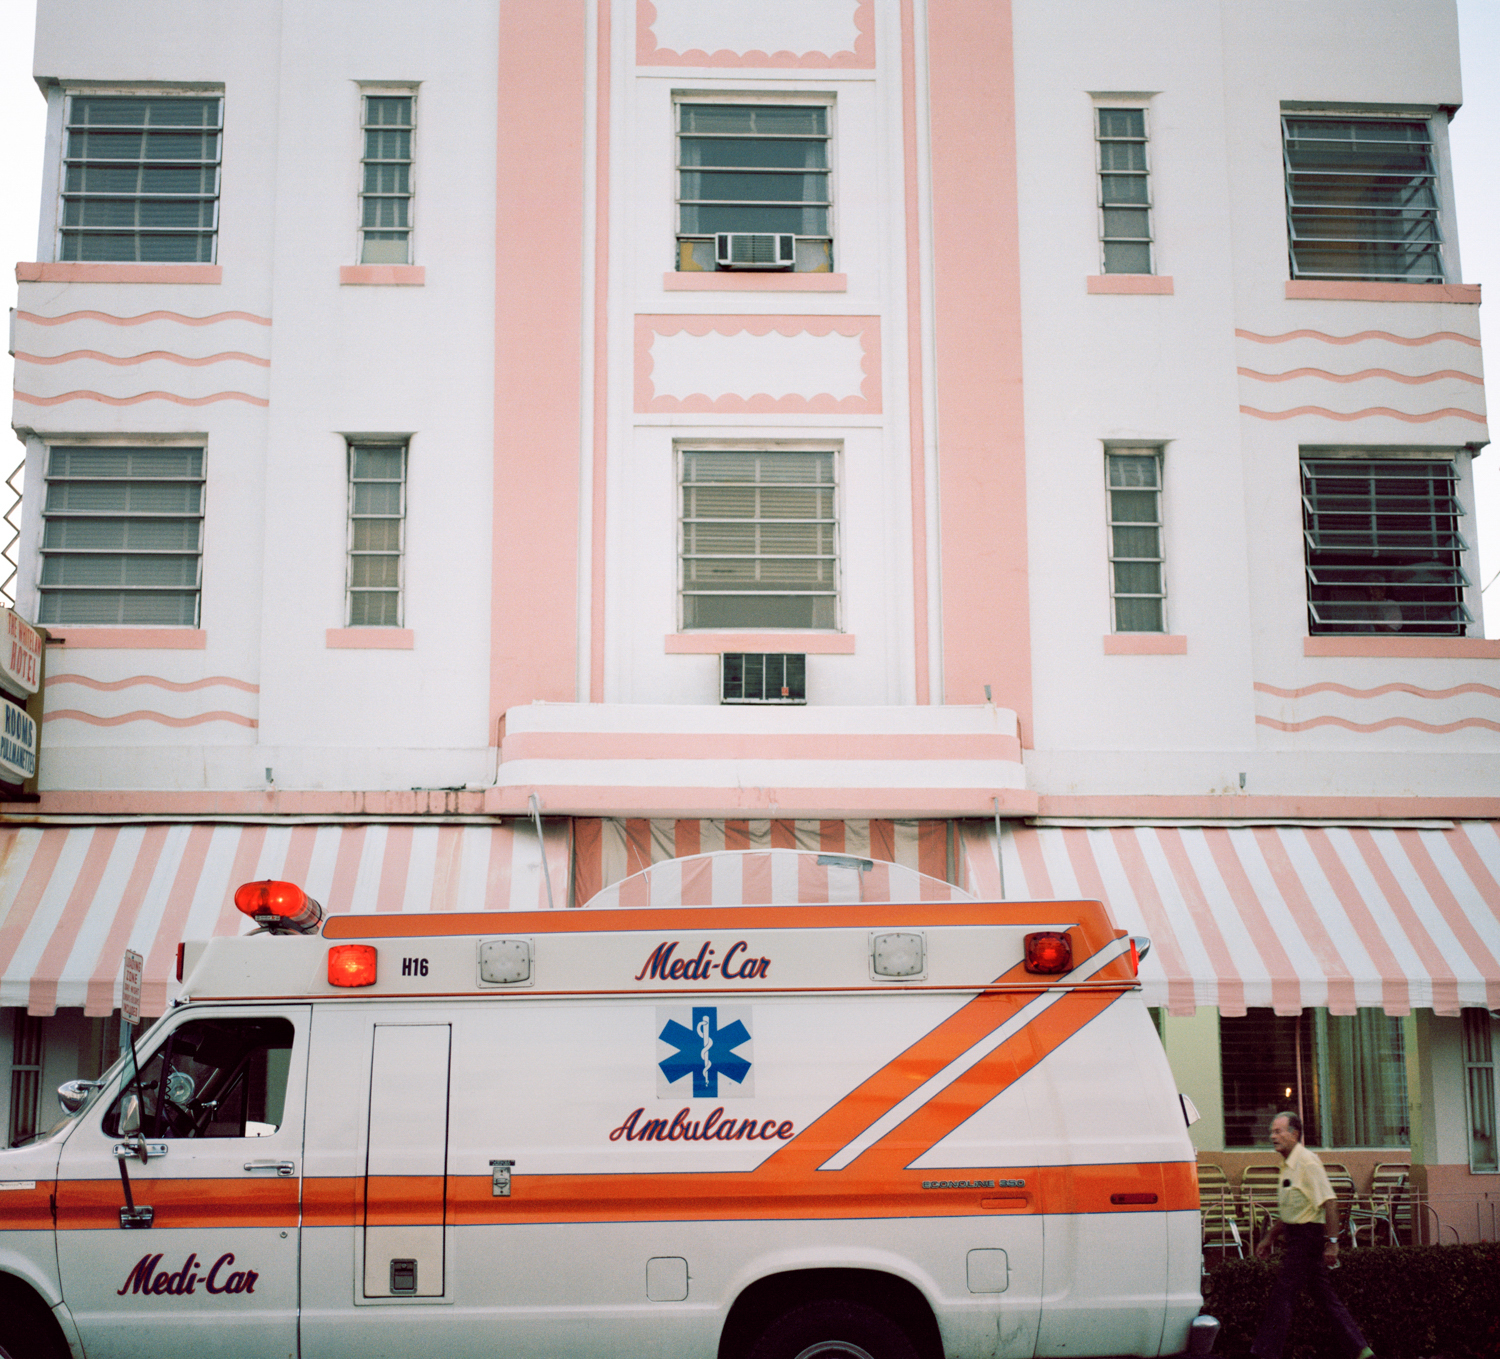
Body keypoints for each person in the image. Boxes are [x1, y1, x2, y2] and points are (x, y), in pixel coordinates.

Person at [1251, 1111, 1375, 1359]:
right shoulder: (1287, 1166)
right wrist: (1269, 1238)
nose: (1272, 1136)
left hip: (1307, 1238)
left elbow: (1329, 1202)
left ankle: (1265, 1353)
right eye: (1272, 1131)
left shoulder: (1307, 1162)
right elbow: (1290, 1212)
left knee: (1283, 1294)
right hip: (1296, 1235)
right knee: (1324, 1297)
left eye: (1279, 1131)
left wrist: (1332, 1243)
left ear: (1294, 1134)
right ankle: (1361, 1350)